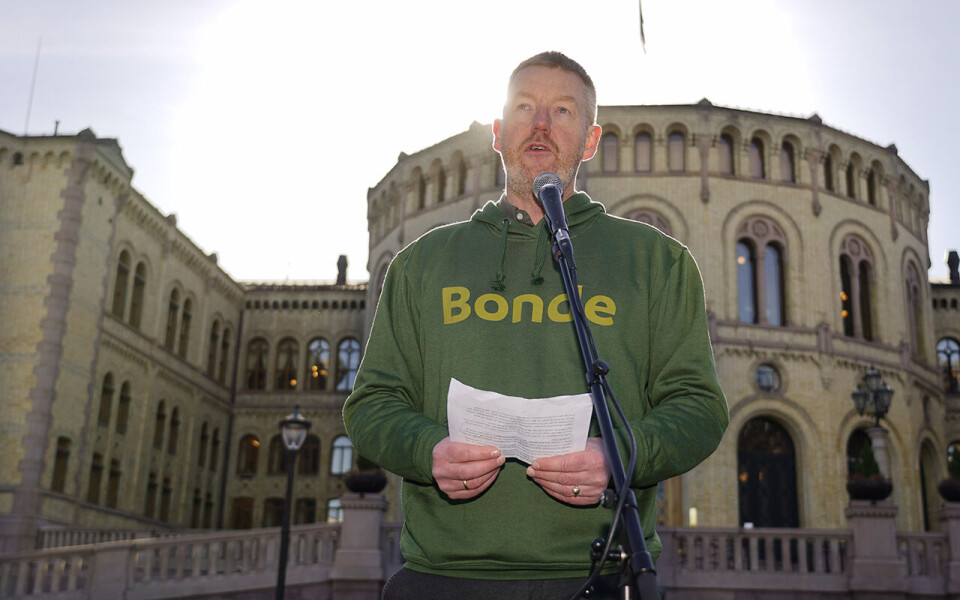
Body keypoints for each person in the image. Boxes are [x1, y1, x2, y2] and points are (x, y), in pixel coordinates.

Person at [343, 51, 728, 599]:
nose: (541, 124)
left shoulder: (658, 262)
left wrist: (619, 455)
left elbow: (700, 408)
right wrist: (428, 451)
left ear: (590, 141)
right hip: (444, 577)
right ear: (499, 133)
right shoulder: (421, 263)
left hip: (598, 576)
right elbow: (371, 403)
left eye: (562, 111)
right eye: (524, 107)